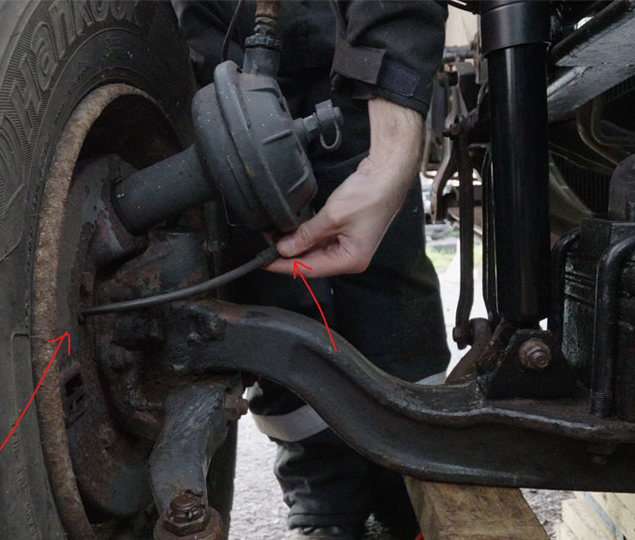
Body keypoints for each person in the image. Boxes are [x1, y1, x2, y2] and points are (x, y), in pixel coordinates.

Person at [171, 2, 452, 539]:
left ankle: (412, 479)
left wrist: (394, 122)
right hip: (218, 45)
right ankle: (323, 489)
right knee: (274, 291)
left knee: (387, 276)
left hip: (353, 44)